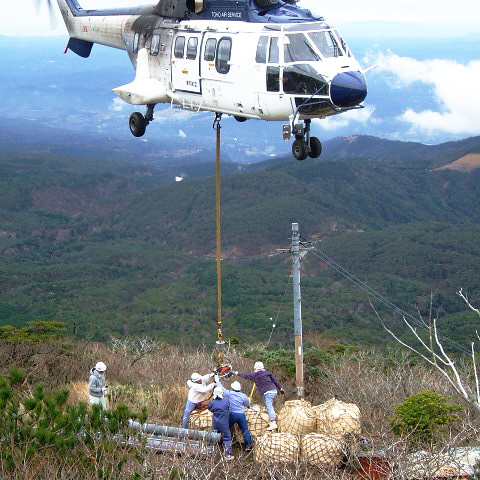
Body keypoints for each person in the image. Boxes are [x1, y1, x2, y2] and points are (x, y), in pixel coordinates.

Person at [233, 361, 284, 431]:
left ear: (255, 368)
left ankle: (273, 422)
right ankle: (269, 412)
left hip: (267, 392)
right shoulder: (268, 373)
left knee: (269, 404)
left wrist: (236, 373)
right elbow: (275, 381)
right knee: (268, 402)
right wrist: (280, 388)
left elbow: (245, 375)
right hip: (273, 390)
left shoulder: (255, 375)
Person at [217, 378, 253, 450]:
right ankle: (249, 445)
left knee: (226, 428)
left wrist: (217, 380)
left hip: (232, 414)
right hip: (241, 415)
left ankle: (222, 442)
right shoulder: (243, 396)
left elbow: (222, 389)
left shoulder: (229, 393)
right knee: (245, 430)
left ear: (232, 388)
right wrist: (248, 405)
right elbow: (247, 404)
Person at [208, 385, 233, 460]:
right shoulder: (226, 401)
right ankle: (226, 455)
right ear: (222, 394)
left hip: (215, 423)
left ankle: (209, 452)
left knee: (213, 437)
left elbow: (210, 409)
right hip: (224, 423)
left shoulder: (213, 402)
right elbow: (229, 408)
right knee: (227, 437)